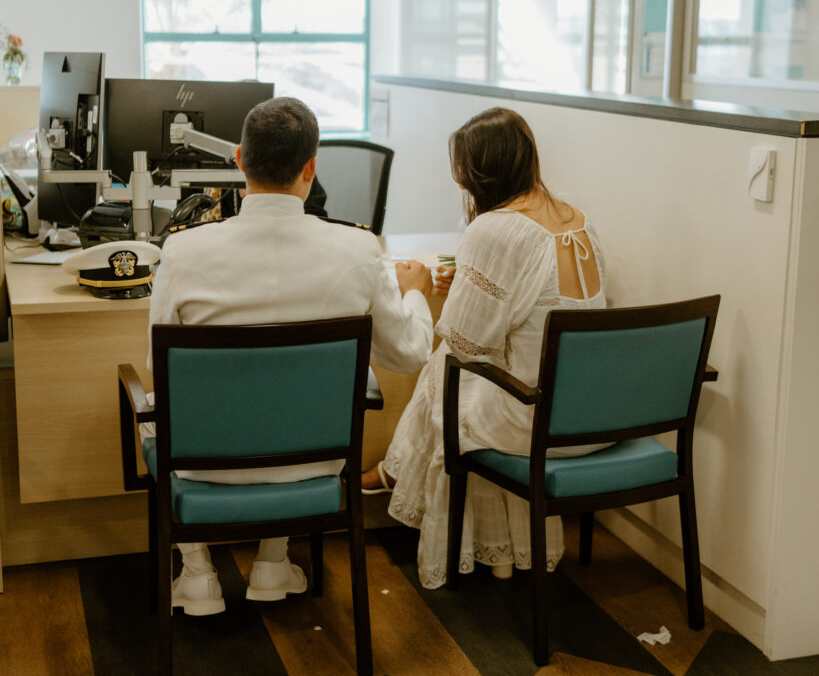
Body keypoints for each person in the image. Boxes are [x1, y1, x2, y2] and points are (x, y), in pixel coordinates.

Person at [147, 96, 434, 615]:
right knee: (292, 404)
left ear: (238, 160)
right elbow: (411, 354)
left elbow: (156, 362)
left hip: (204, 463)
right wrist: (416, 292)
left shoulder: (183, 252)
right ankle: (273, 563)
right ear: (311, 167)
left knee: (151, 407)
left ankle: (197, 574)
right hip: (314, 463)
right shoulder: (358, 251)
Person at [360, 107, 606, 588]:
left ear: (481, 173)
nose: (459, 185)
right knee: (453, 373)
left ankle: (389, 473)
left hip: (533, 417)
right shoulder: (576, 218)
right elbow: (539, 310)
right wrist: (471, 288)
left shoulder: (495, 229)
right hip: (590, 411)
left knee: (443, 366)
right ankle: (398, 478)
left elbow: (466, 342)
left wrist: (421, 289)